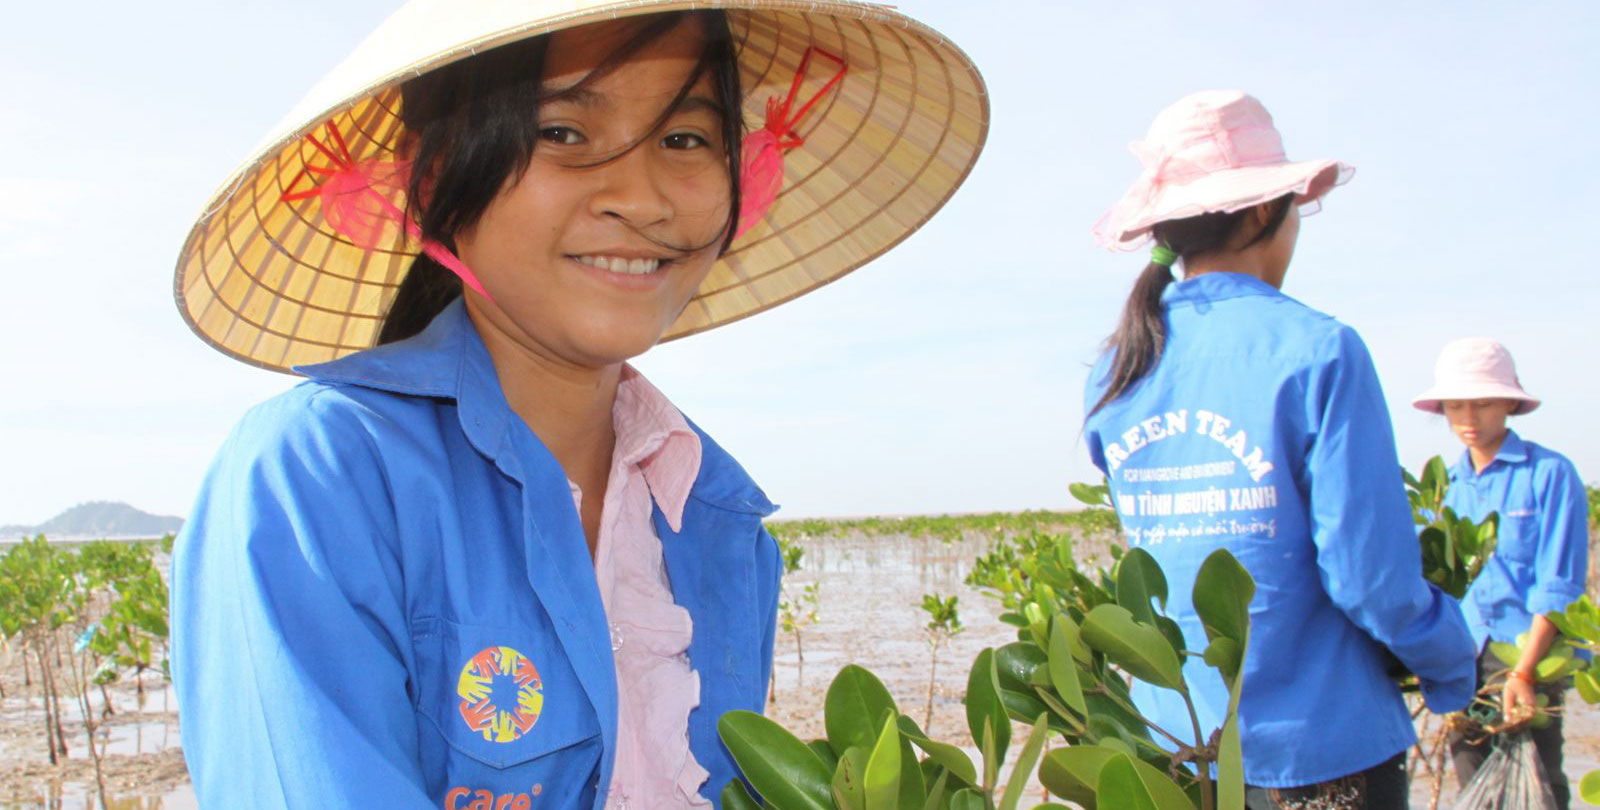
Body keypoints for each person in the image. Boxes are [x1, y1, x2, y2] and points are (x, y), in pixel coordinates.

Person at [167, 1, 988, 808]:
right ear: (432, 171)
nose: (641, 197)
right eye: (563, 132)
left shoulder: (718, 521)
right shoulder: (318, 479)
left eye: (685, 138)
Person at [1081, 90, 1477, 810]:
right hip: (1322, 752)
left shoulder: (1116, 372)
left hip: (1173, 748)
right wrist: (1453, 658)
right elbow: (1369, 580)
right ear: (1265, 211)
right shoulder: (1320, 350)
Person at [1413, 338, 1587, 809]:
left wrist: (1525, 673)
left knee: (1541, 785)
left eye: (1484, 403)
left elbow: (1559, 584)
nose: (1468, 418)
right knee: (1474, 788)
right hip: (1461, 656)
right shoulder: (1444, 488)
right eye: (1455, 406)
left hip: (1527, 651)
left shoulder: (1549, 474)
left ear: (1510, 402)